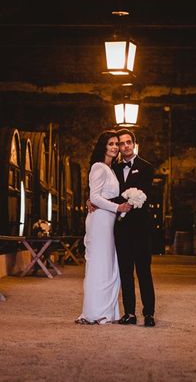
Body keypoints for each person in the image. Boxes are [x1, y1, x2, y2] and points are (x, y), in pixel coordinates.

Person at [75, 131, 131, 325]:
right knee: (99, 265)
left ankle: (107, 310)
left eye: (117, 144)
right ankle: (93, 312)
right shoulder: (98, 167)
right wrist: (118, 207)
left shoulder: (111, 169)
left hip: (109, 220)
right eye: (111, 144)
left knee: (108, 265)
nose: (115, 147)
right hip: (99, 221)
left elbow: (102, 196)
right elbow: (96, 197)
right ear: (103, 147)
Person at [112, 129, 156, 327]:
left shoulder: (146, 167)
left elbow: (146, 196)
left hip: (141, 228)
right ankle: (129, 313)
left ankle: (149, 314)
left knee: (144, 272)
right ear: (119, 147)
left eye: (129, 142)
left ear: (134, 144)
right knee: (125, 272)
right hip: (121, 228)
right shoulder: (114, 169)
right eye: (121, 144)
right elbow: (110, 195)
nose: (125, 146)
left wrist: (132, 200)